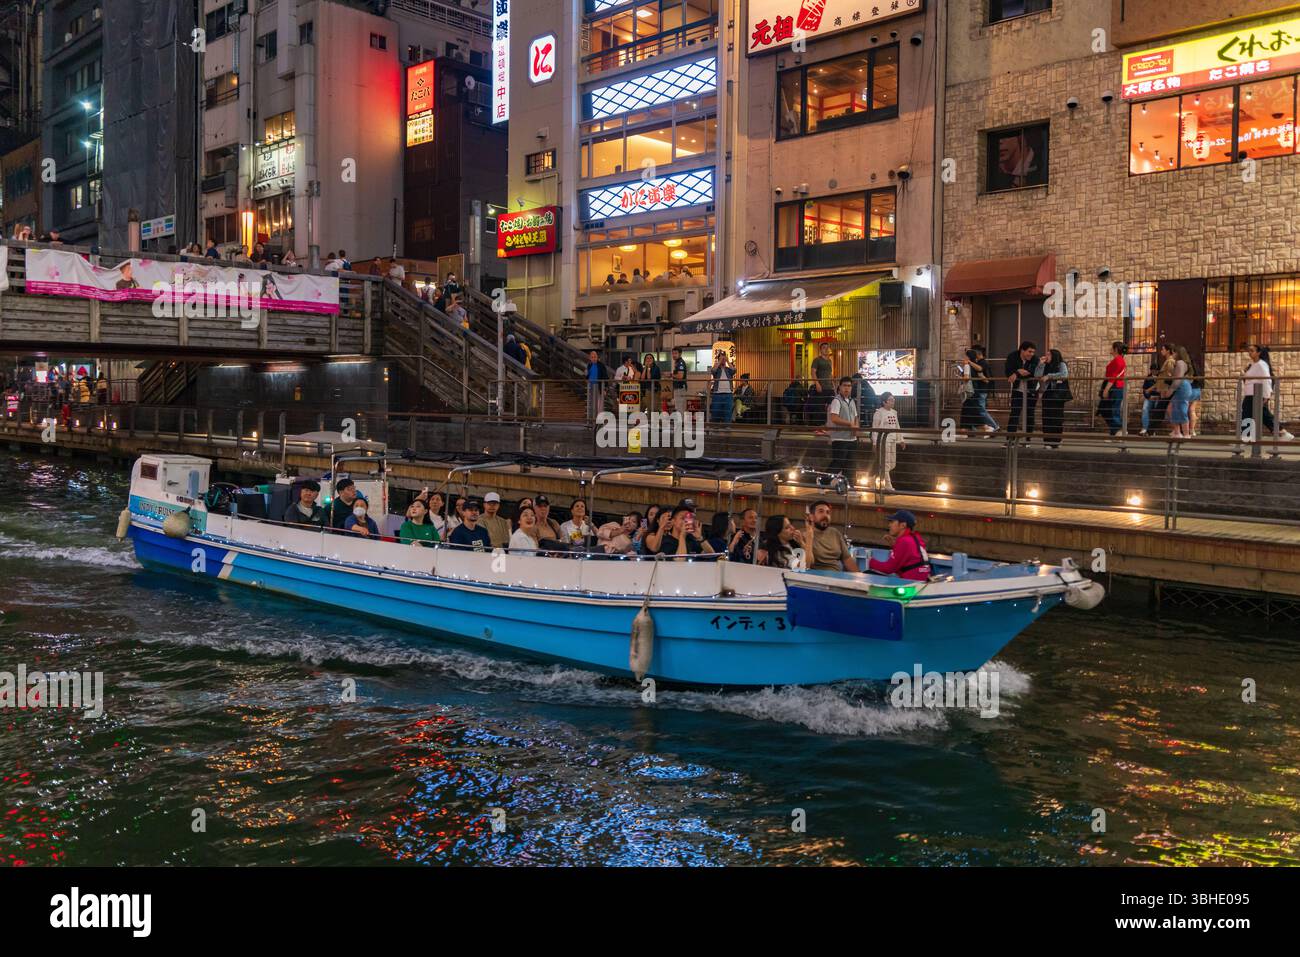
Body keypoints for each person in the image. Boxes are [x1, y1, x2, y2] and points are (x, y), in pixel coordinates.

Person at [1240, 343, 1294, 440]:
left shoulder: (1261, 364)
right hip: (1250, 394)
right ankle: (1248, 438)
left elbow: (1267, 379)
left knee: (1260, 415)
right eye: (1249, 351)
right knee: (1252, 415)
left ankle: (1283, 433)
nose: (1249, 353)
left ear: (1258, 353)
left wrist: (1267, 395)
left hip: (1256, 394)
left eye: (1252, 351)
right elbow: (1250, 379)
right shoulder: (1253, 365)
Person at [867, 510, 931, 582]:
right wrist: (894, 545)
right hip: (923, 580)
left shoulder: (904, 541)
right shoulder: (916, 537)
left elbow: (888, 569)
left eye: (892, 522)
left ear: (903, 525)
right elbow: (911, 556)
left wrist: (869, 561)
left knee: (869, 574)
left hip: (910, 584)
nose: (889, 525)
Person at [805, 500, 858, 573]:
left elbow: (847, 559)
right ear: (811, 517)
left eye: (828, 512)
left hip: (838, 576)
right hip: (817, 578)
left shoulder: (835, 533)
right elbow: (804, 565)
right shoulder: (804, 535)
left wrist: (859, 577)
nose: (825, 515)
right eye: (821, 511)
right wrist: (809, 536)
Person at [1036, 348, 1070, 448]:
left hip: (1058, 395)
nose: (1046, 356)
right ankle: (1047, 442)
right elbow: (1037, 375)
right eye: (1046, 354)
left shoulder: (1061, 364)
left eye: (1049, 355)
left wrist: (1049, 376)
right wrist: (1041, 364)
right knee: (1046, 418)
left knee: (1056, 418)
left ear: (1054, 356)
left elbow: (1064, 375)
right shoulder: (1045, 365)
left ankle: (1056, 441)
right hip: (1047, 394)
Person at [826, 375, 860, 476]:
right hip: (840, 438)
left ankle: (849, 486)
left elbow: (855, 417)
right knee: (837, 463)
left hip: (852, 438)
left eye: (849, 386)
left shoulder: (852, 401)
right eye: (844, 386)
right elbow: (834, 418)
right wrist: (850, 424)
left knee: (850, 465)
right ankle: (823, 482)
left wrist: (856, 430)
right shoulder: (836, 401)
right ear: (840, 387)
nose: (847, 388)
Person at [871, 392, 904, 491]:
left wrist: (901, 439)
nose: (892, 402)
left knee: (892, 464)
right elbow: (875, 428)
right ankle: (888, 486)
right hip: (883, 441)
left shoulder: (894, 412)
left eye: (893, 399)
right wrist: (874, 442)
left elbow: (897, 426)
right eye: (890, 400)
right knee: (885, 463)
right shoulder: (879, 413)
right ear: (884, 402)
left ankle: (874, 479)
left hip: (893, 440)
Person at [1005, 340, 1038, 434]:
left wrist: (1017, 373)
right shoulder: (1012, 356)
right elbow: (1008, 373)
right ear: (1022, 350)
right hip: (1017, 390)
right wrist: (1017, 371)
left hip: (1032, 390)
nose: (1031, 354)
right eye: (1029, 351)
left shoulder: (1035, 359)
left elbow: (1031, 373)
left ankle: (1027, 440)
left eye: (1033, 352)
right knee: (1014, 414)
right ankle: (1010, 439)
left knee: (1030, 415)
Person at [1163, 343, 1192, 439]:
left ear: (1178, 353)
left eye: (1174, 352)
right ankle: (1177, 432)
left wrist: (1170, 390)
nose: (1173, 354)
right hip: (1182, 387)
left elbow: (1177, 379)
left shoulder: (1180, 363)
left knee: (1181, 409)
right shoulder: (1182, 363)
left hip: (1181, 387)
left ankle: (1186, 434)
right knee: (1173, 408)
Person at [1100, 341, 1127, 436]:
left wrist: (1106, 390)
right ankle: (1114, 431)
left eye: (1112, 347)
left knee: (1113, 409)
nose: (1110, 349)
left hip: (1115, 387)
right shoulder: (1118, 359)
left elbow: (1113, 377)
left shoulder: (1118, 360)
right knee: (1106, 409)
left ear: (1116, 349)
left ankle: (1117, 430)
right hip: (1114, 386)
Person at [709, 349, 736, 424]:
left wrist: (727, 361)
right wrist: (719, 361)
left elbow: (734, 370)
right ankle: (715, 428)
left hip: (728, 394)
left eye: (724, 358)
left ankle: (727, 427)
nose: (723, 360)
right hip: (717, 394)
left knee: (728, 412)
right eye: (721, 358)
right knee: (716, 412)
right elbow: (713, 371)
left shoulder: (728, 369)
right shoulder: (717, 369)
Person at [586, 350, 609, 420]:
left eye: (595, 357)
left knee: (599, 404)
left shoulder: (601, 365)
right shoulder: (589, 365)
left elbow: (605, 376)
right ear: (590, 358)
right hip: (591, 386)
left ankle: (599, 419)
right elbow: (587, 375)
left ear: (597, 357)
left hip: (599, 387)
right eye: (592, 357)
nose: (593, 358)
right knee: (592, 403)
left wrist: (605, 389)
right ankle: (592, 418)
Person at [670, 347, 689, 414]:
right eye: (672, 353)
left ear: (680, 354)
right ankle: (680, 423)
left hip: (680, 387)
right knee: (679, 407)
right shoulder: (677, 362)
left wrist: (671, 375)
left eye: (676, 353)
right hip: (678, 387)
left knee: (679, 407)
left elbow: (680, 376)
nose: (674, 355)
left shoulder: (680, 363)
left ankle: (680, 423)